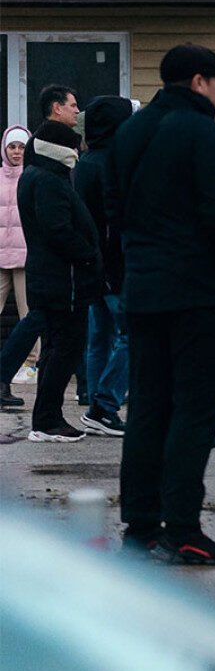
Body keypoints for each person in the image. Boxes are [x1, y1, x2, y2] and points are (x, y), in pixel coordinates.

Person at [115, 44, 215, 565]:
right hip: (197, 295)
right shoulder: (202, 133)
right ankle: (184, 528)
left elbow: (115, 209)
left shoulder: (130, 132)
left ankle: (141, 527)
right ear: (198, 82)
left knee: (149, 409)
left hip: (143, 293)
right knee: (196, 412)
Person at [17, 119, 105, 442]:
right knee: (64, 349)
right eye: (73, 146)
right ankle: (47, 420)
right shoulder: (49, 181)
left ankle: (46, 417)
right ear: (60, 150)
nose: (77, 151)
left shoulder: (36, 176)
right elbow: (58, 231)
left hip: (51, 280)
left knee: (55, 350)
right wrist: (88, 255)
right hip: (62, 282)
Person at [0, 88, 82, 405]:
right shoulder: (45, 159)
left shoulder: (33, 169)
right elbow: (51, 218)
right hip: (45, 258)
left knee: (37, 318)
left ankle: (83, 389)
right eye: (73, 105)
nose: (77, 111)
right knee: (41, 318)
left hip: (30, 254)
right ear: (56, 107)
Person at [74, 96, 133, 434]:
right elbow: (114, 223)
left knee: (100, 336)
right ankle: (104, 406)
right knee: (131, 334)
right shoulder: (112, 164)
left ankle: (95, 402)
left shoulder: (86, 162)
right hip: (116, 268)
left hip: (94, 267)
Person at [0, 124, 28, 410]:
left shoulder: (30, 177)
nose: (17, 151)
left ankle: (30, 365)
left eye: (21, 147)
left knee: (28, 314)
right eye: (12, 147)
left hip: (25, 257)